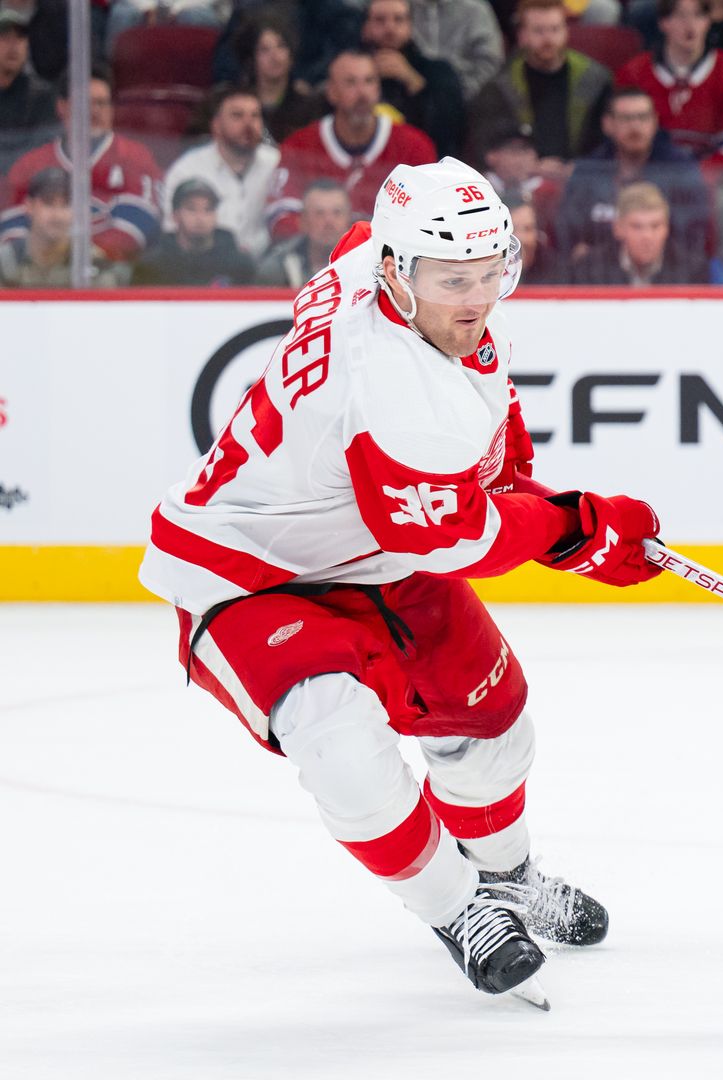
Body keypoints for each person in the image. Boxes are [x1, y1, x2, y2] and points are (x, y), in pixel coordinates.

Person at [137, 157, 663, 1004]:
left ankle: (507, 877)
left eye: (493, 273)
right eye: (456, 278)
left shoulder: (367, 259)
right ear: (398, 270)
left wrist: (516, 465)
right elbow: (460, 535)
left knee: (493, 723)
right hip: (246, 573)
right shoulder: (388, 383)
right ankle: (459, 911)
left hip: (374, 547)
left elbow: (476, 409)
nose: (478, 298)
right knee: (339, 743)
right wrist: (576, 528)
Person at [266, 49, 437, 240]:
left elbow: (430, 220)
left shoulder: (415, 147)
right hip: (316, 264)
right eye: (351, 82)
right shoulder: (299, 146)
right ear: (331, 92)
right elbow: (280, 217)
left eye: (369, 81)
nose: (362, 93)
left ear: (378, 89)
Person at [0, 69, 160, 265]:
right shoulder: (30, 164)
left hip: (112, 276)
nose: (95, 111)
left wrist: (79, 257)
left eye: (102, 103)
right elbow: (10, 227)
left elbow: (141, 225)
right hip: (40, 276)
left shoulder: (135, 157)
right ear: (62, 107)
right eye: (85, 104)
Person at [555, 86, 708, 268]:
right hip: (598, 277)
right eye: (626, 119)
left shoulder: (680, 168)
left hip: (667, 275)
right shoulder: (589, 170)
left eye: (642, 118)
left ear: (654, 122)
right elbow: (568, 234)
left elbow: (694, 234)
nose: (635, 127)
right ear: (608, 124)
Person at [613, 0, 723, 172]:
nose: (690, 25)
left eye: (699, 15)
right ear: (663, 22)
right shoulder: (633, 73)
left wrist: (700, 177)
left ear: (708, 22)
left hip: (710, 186)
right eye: (681, 15)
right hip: (647, 178)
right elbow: (619, 136)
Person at [468, 0, 613, 170]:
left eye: (555, 29)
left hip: (583, 176)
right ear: (522, 35)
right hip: (520, 180)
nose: (548, 39)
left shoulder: (595, 79)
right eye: (539, 31)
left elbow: (606, 140)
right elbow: (488, 144)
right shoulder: (499, 87)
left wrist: (578, 167)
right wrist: (532, 166)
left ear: (566, 31)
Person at [160, 87, 279, 260]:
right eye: (237, 116)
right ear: (216, 125)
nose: (249, 124)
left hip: (267, 268)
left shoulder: (276, 163)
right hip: (206, 266)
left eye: (255, 116)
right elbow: (172, 231)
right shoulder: (186, 170)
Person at [361, 0, 467, 157]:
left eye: (398, 19)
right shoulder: (347, 69)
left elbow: (450, 132)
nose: (390, 28)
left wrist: (414, 82)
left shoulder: (439, 72)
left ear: (410, 25)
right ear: (365, 26)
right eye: (380, 20)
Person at [0, 166, 131, 286]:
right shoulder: (5, 263)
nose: (58, 216)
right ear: (29, 206)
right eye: (48, 203)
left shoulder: (92, 265)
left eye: (66, 205)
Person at [569, 180, 700, 285]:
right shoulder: (588, 269)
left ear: (666, 228)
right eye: (637, 227)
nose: (647, 236)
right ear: (618, 228)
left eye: (655, 226)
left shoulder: (692, 269)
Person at [133, 177, 254, 285]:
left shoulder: (239, 265)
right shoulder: (152, 266)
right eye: (192, 209)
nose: (200, 218)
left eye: (208, 209)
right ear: (175, 216)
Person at [232, 15, 327, 144]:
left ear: (291, 54)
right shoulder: (233, 103)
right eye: (264, 49)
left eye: (281, 46)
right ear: (251, 59)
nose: (274, 56)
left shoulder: (310, 107)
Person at [254, 177, 351, 287]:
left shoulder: (367, 265)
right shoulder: (278, 269)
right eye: (319, 213)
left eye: (337, 213)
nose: (329, 222)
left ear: (349, 220)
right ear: (303, 222)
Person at [409, 0, 505, 99]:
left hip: (468, 104)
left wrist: (457, 95)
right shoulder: (401, 8)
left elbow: (490, 62)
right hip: (409, 103)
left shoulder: (476, 10)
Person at [0, 10, 56, 176]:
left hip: (25, 187)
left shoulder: (42, 96)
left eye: (20, 38)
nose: (14, 46)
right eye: (5, 37)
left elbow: (43, 152)